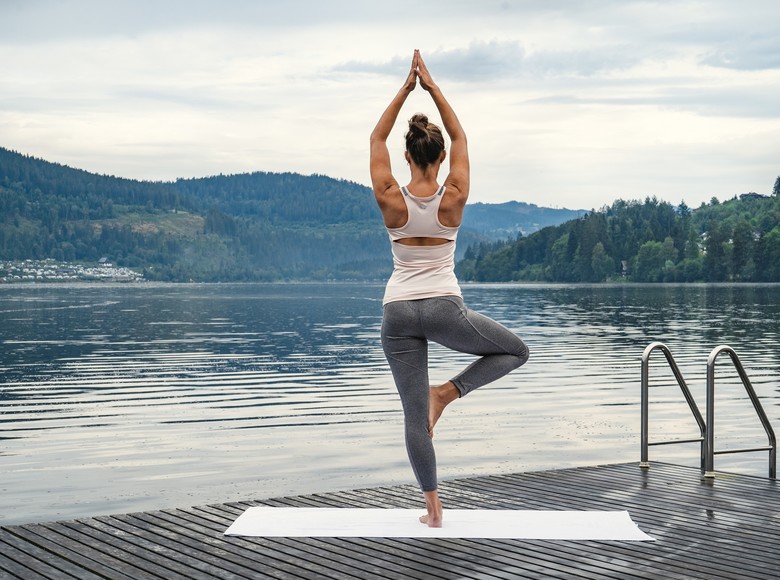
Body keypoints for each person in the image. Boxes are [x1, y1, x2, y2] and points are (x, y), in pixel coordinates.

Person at [369, 50, 529, 528]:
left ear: (406, 157)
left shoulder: (389, 197)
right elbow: (460, 134)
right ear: (440, 157)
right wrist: (432, 86)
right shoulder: (453, 195)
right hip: (442, 308)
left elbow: (376, 135)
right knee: (516, 351)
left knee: (413, 417)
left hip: (396, 312)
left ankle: (434, 509)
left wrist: (405, 88)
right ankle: (450, 392)